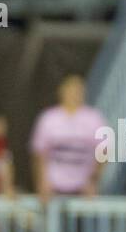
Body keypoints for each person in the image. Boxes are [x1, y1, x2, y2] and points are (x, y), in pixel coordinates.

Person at [29, 74, 107, 202]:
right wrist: (41, 182)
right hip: (54, 188)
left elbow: (104, 151)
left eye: (78, 90)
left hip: (82, 189)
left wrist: (93, 180)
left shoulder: (94, 118)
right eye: (71, 89)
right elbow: (39, 153)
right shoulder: (48, 118)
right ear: (62, 91)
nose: (74, 94)